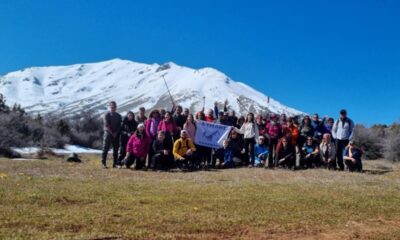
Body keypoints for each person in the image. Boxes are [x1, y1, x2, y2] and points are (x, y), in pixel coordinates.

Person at [101, 101, 122, 169]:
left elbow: (119, 126)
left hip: (116, 134)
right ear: (110, 107)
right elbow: (106, 125)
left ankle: (115, 164)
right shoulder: (106, 115)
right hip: (108, 134)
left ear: (116, 107)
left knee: (116, 149)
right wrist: (112, 133)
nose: (113, 108)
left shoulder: (119, 116)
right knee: (105, 148)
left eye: (114, 107)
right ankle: (103, 163)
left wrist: (116, 133)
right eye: (112, 107)